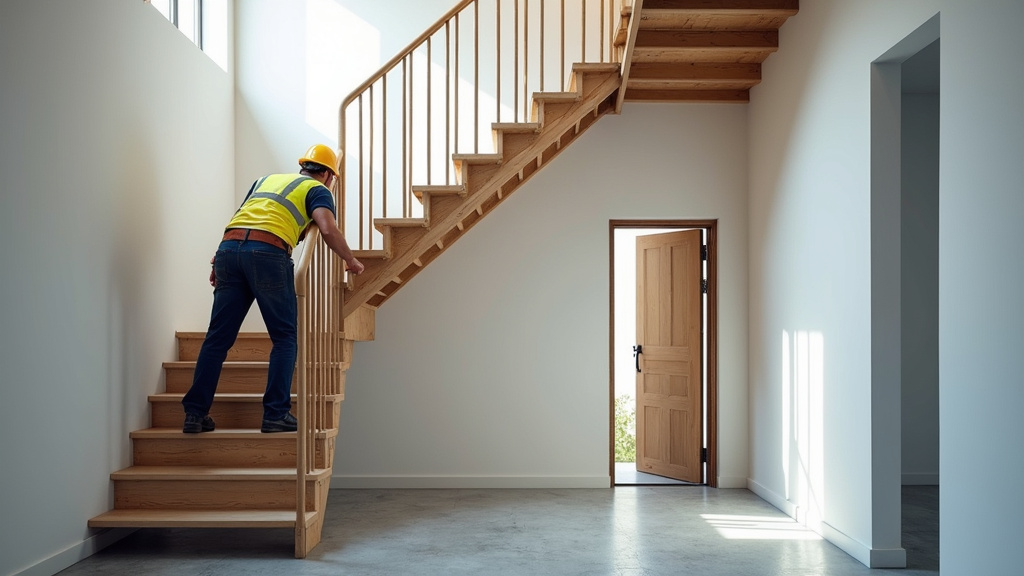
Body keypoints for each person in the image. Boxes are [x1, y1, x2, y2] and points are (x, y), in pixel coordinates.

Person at [182, 144, 364, 433]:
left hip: (229, 249)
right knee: (285, 337)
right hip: (268, 254)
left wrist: (219, 262)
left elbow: (243, 218)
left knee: (217, 339)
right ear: (329, 175)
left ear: (304, 166)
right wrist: (350, 260)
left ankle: (194, 413)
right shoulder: (318, 191)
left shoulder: (265, 180)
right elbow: (327, 228)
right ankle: (276, 414)